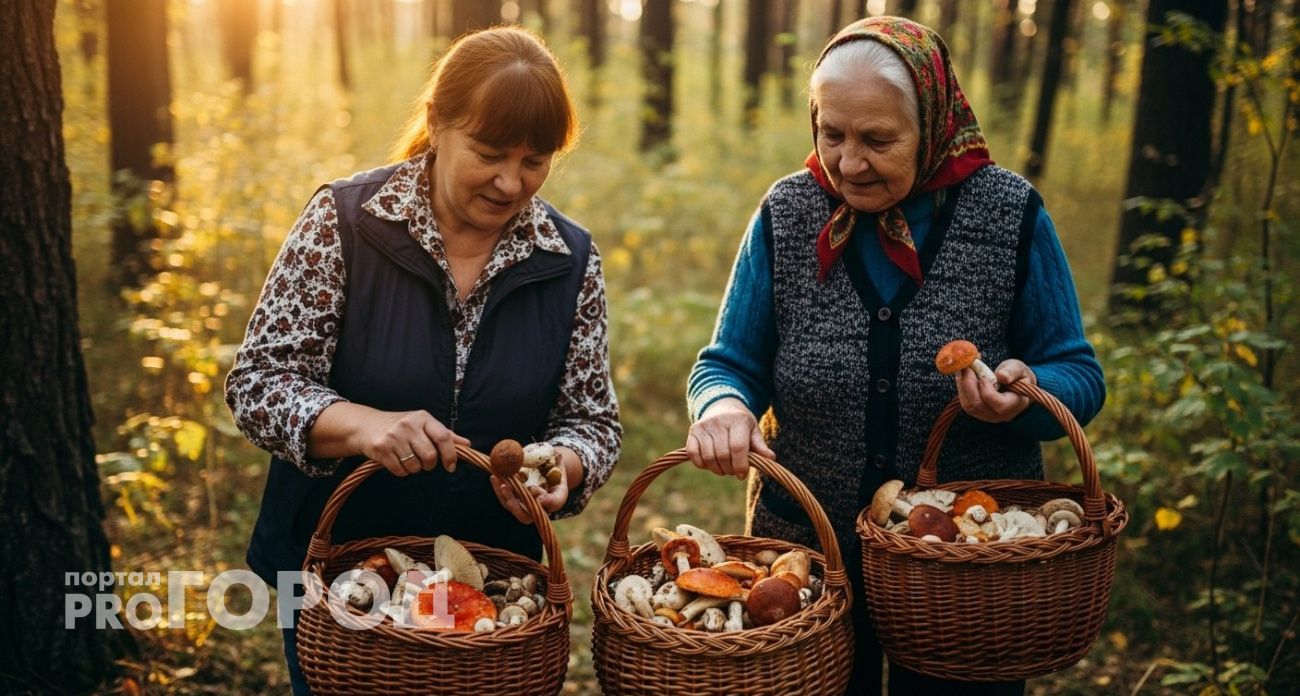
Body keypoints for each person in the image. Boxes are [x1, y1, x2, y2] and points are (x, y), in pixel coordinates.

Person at [685, 16, 1104, 695]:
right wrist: (723, 406)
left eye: (877, 140)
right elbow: (727, 363)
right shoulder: (787, 213)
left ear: (932, 124)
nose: (849, 162)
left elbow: (1079, 374)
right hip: (806, 565)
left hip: (966, 573)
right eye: (832, 134)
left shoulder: (1009, 216)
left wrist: (1027, 398)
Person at [224, 27, 620, 695]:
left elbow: (593, 421)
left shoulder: (568, 260)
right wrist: (363, 425)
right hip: (339, 576)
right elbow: (258, 383)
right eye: (489, 154)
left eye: (535, 161)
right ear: (437, 122)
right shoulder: (345, 223)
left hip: (491, 590)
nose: (511, 182)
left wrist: (562, 465)